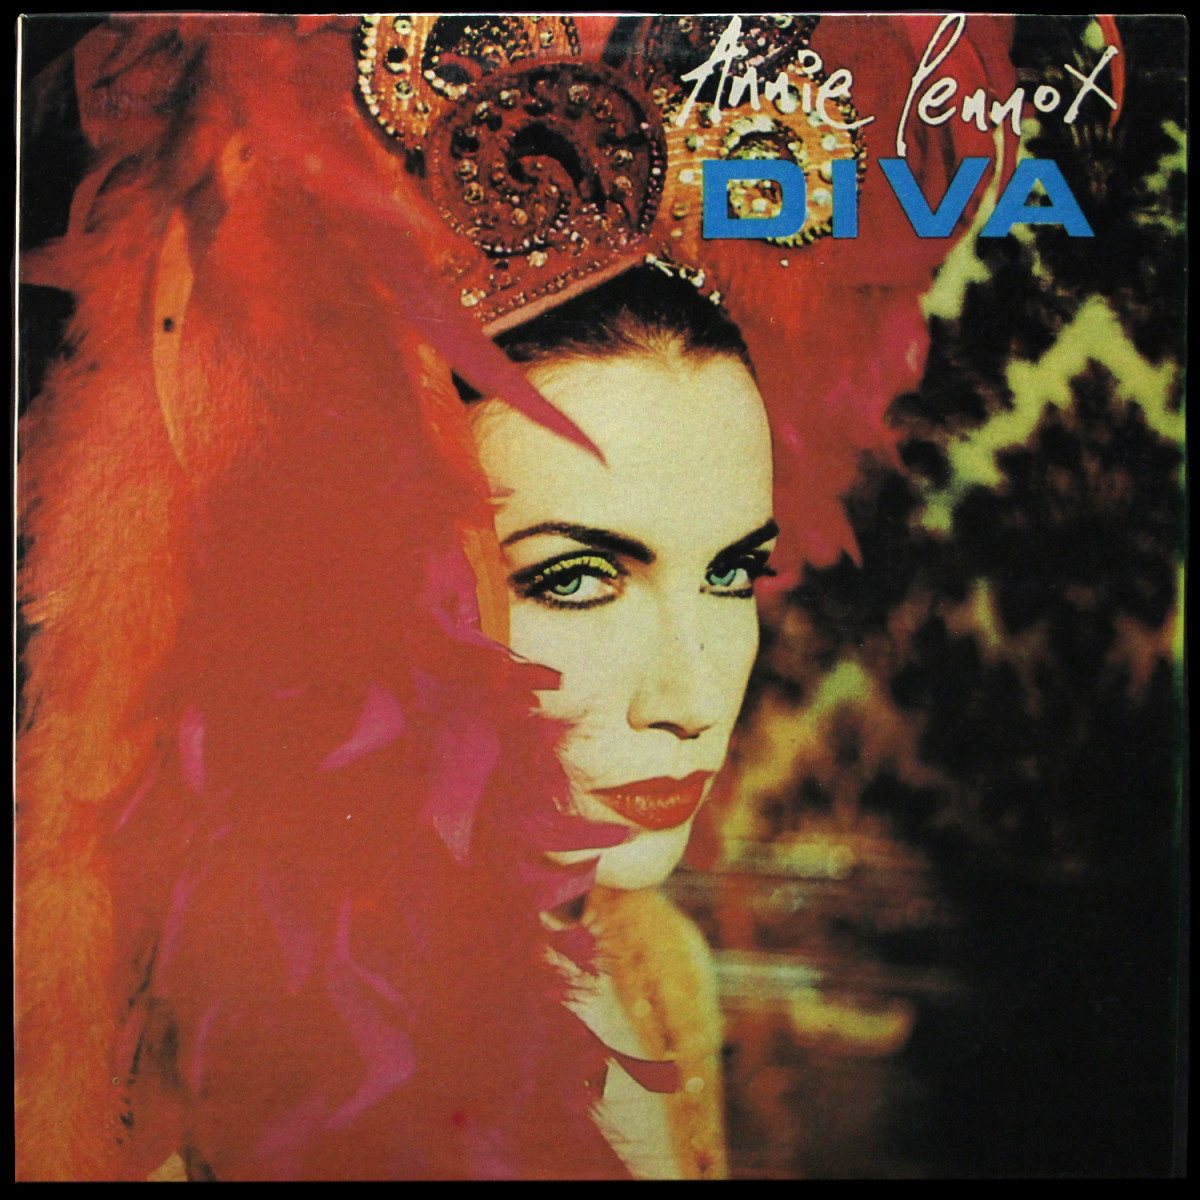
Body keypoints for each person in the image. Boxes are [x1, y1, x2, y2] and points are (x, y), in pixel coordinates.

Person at [16, 13, 1014, 1180]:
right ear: (379, 590)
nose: (692, 695)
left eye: (731, 571)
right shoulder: (165, 1092)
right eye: (578, 577)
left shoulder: (654, 969)